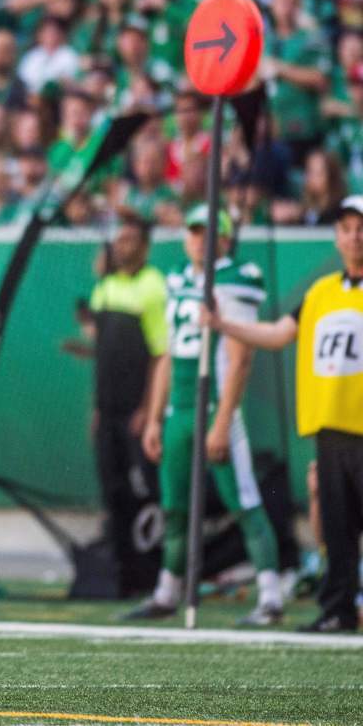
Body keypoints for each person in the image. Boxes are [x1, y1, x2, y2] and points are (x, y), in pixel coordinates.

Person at [204, 196, 363, 633]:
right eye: (347, 228)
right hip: (330, 428)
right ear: (337, 236)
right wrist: (223, 326)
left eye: (361, 228)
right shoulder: (321, 293)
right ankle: (337, 609)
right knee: (336, 527)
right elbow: (276, 334)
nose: (354, 237)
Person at [128, 206, 283, 625]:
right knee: (174, 507)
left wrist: (221, 419)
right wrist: (157, 416)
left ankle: (270, 596)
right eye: (194, 232)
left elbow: (240, 359)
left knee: (244, 500)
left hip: (215, 408)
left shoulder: (235, 279)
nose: (201, 240)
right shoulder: (177, 277)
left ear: (227, 239)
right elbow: (168, 354)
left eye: (210, 233)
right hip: (179, 409)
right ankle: (166, 592)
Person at [85, 217, 168, 597]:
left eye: (130, 239)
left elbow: (160, 354)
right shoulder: (104, 288)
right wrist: (98, 407)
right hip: (108, 411)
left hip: (137, 413)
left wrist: (149, 411)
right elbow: (102, 355)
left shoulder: (154, 287)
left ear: (145, 245)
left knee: (145, 493)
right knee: (113, 491)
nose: (122, 245)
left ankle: (152, 576)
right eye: (118, 239)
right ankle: (124, 578)